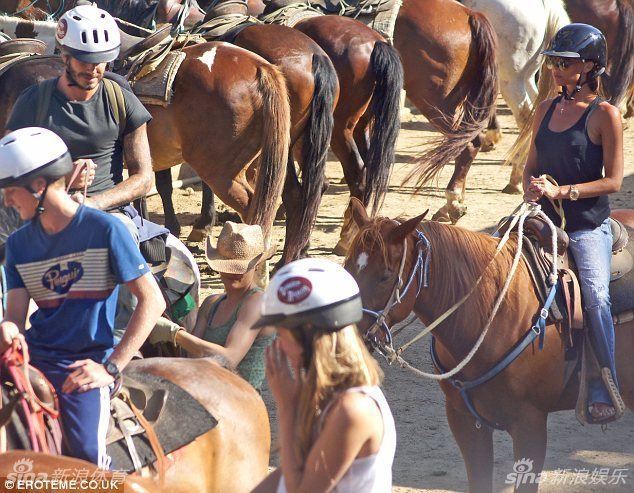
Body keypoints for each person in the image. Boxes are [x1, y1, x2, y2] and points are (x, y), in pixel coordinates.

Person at [0, 127, 165, 466]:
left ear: (39, 186)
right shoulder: (18, 244)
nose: (6, 202)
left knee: (86, 459)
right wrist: (8, 329)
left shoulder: (105, 230)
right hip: (33, 356)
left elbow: (153, 301)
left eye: (11, 191)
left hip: (82, 363)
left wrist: (112, 368)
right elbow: (15, 317)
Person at [523, 24, 624, 423]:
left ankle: (605, 385)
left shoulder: (605, 115)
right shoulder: (545, 109)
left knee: (597, 297)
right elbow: (530, 167)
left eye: (563, 63)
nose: (555, 70)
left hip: (586, 225)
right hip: (540, 219)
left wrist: (563, 192)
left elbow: (614, 180)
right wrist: (531, 186)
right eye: (553, 63)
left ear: (589, 67)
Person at [5, 3, 154, 240]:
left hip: (109, 213)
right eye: (84, 60)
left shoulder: (122, 100)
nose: (93, 69)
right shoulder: (33, 101)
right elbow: (8, 171)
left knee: (120, 237)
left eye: (101, 60)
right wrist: (63, 176)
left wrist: (93, 203)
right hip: (42, 210)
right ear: (65, 57)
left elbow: (144, 178)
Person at [250, 258, 396, 493]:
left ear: (309, 337)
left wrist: (288, 409)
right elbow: (290, 474)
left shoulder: (353, 410)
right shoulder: (329, 398)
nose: (280, 347)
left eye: (282, 336)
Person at [147, 221, 276, 391]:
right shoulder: (211, 304)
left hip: (240, 398)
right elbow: (193, 358)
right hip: (206, 390)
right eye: (227, 265)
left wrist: (175, 334)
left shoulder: (258, 302)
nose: (233, 273)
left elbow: (229, 359)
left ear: (256, 265)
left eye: (240, 268)